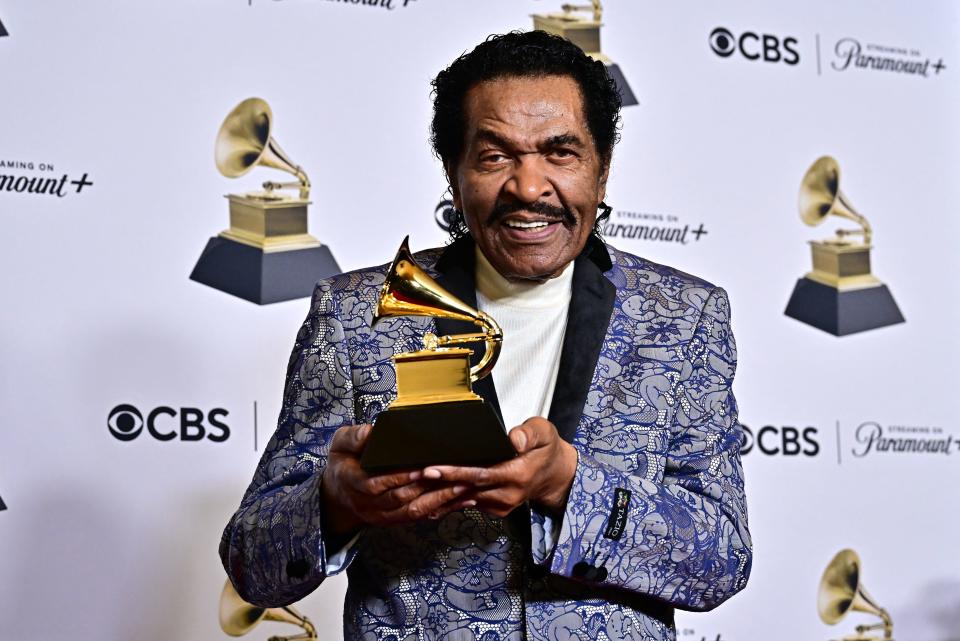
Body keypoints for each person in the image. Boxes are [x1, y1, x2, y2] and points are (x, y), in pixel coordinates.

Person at [220, 30, 752, 641]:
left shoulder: (685, 317)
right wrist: (336, 504)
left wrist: (567, 487)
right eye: (495, 155)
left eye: (560, 153)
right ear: (455, 174)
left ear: (602, 172)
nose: (528, 187)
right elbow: (251, 568)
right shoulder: (350, 315)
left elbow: (722, 562)